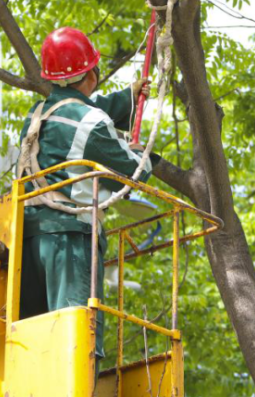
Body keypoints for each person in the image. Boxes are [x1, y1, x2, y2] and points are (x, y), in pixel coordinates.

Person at [17, 26, 153, 364]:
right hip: (70, 241)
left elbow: (78, 112)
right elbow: (134, 173)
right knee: (76, 340)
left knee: (30, 342)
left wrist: (128, 97)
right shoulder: (91, 122)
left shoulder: (36, 115)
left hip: (26, 240)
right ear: (91, 74)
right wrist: (141, 154)